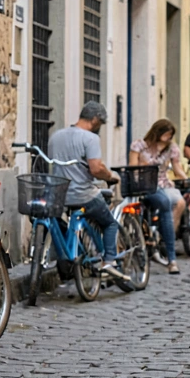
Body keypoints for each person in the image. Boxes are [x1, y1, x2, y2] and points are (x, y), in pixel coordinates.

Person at [48, 102, 121, 267]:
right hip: (83, 195)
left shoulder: (56, 136)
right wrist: (109, 176)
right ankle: (110, 259)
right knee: (109, 223)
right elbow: (96, 169)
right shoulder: (91, 138)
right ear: (95, 120)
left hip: (59, 196)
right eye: (100, 124)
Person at [129, 119, 189, 274]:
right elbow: (132, 168)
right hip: (145, 186)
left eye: (171, 135)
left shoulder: (171, 148)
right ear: (157, 131)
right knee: (166, 202)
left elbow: (177, 167)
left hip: (163, 184)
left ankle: (166, 240)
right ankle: (171, 256)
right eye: (166, 133)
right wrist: (139, 176)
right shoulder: (139, 145)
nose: (169, 137)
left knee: (178, 202)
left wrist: (186, 179)